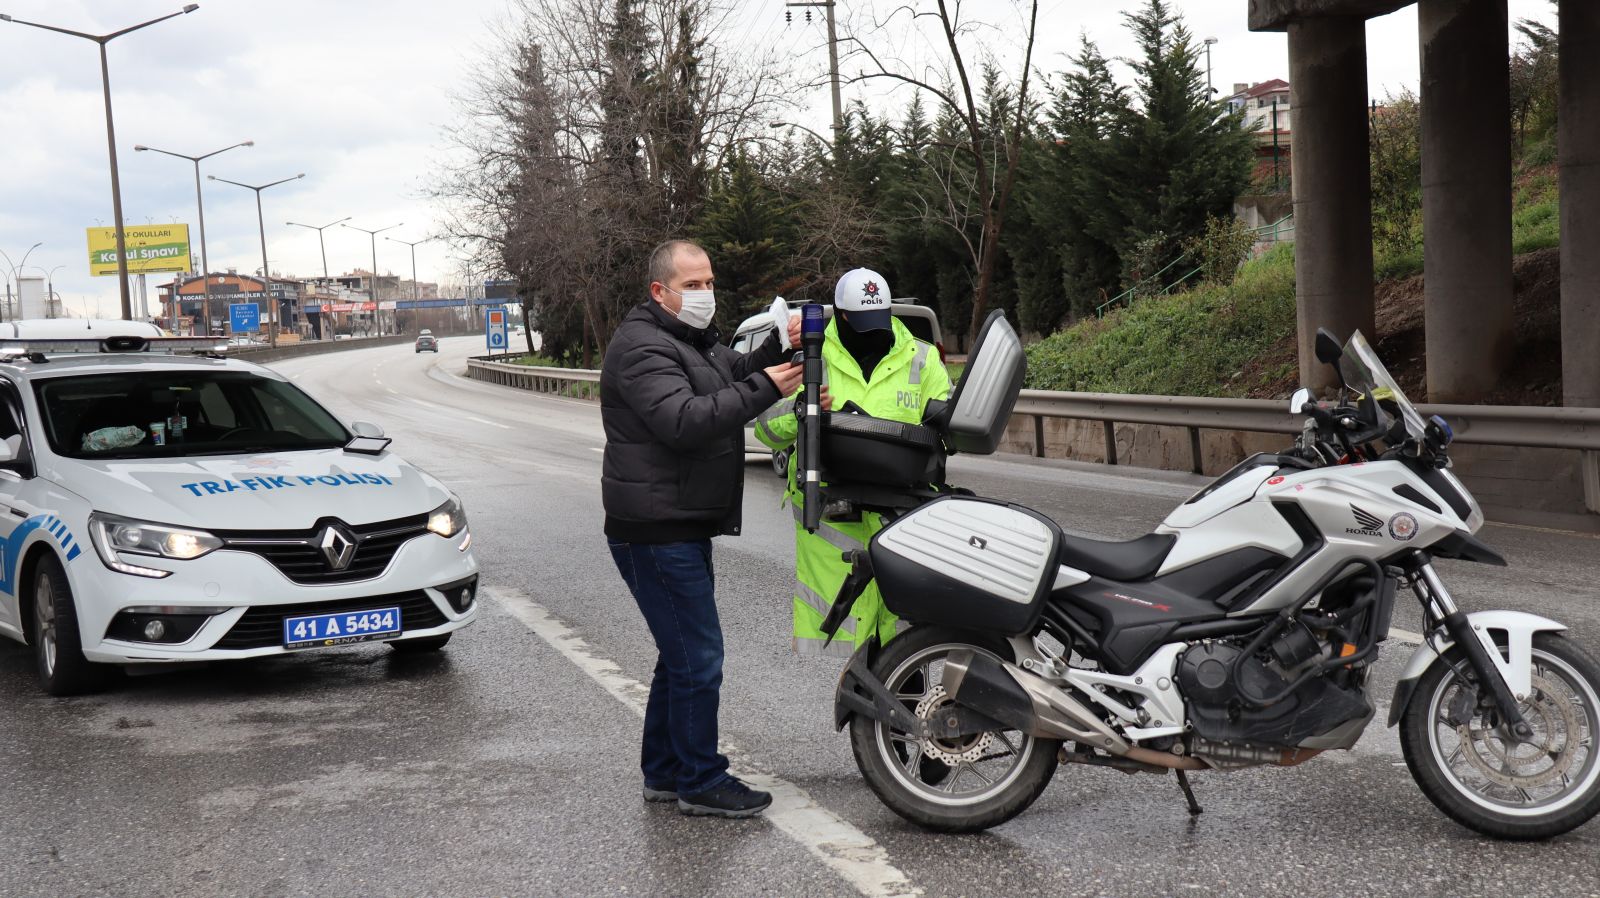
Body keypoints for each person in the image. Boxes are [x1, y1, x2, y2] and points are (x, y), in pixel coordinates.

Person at [600, 238, 803, 819]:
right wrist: (769, 388)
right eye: (692, 286)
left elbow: (728, 373)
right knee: (698, 658)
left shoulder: (684, 339)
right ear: (659, 292)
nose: (705, 295)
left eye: (709, 282)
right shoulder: (641, 348)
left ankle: (665, 773)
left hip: (677, 520)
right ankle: (700, 779)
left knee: (679, 654)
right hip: (655, 528)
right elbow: (686, 420)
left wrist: (772, 348)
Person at [753, 268, 951, 657]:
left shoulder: (922, 357)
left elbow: (946, 426)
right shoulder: (809, 356)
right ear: (840, 315)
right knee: (848, 638)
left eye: (877, 320)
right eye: (859, 322)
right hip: (832, 509)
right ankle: (864, 704)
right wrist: (802, 412)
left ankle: (896, 696)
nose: (870, 331)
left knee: (901, 639)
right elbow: (765, 431)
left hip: (900, 509)